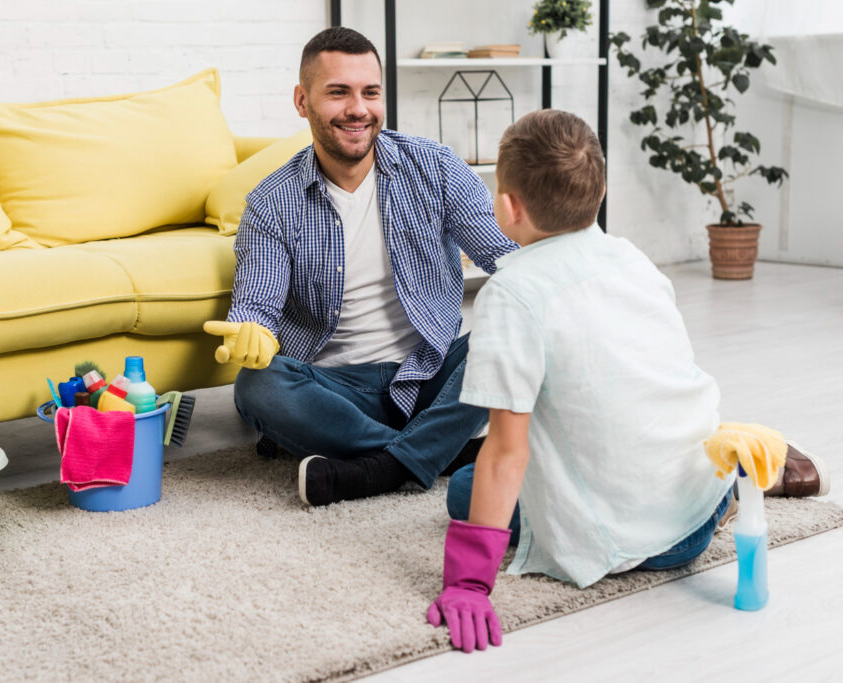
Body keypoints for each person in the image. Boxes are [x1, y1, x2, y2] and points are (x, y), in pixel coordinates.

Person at [425, 109, 831, 653]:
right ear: (600, 191)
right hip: (698, 506)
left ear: (506, 206)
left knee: (465, 487)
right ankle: (736, 480)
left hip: (626, 541)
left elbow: (507, 450)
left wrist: (470, 582)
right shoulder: (632, 258)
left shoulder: (510, 293)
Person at [202, 27, 518, 506]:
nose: (358, 109)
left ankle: (382, 467)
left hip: (427, 373)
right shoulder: (271, 203)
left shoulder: (435, 168)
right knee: (257, 386)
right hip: (333, 390)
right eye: (338, 93)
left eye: (370, 92)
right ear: (302, 101)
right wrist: (253, 331)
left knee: (511, 330)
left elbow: (506, 259)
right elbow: (256, 305)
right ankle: (440, 451)